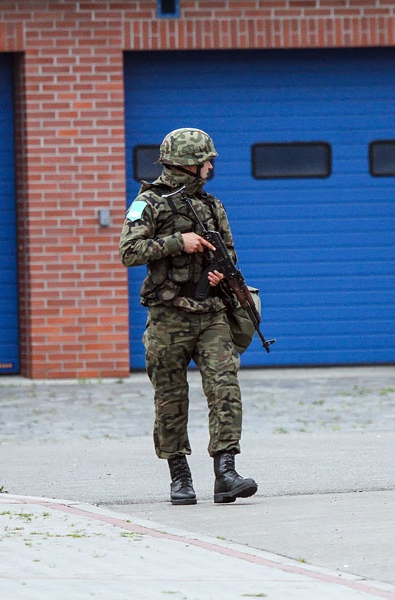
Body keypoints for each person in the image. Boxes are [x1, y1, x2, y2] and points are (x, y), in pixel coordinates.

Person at [119, 127, 258, 505]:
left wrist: (219, 278)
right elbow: (129, 251)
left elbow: (229, 255)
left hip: (211, 313)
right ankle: (179, 477)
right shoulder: (148, 203)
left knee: (225, 388)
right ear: (188, 164)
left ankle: (226, 473)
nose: (211, 166)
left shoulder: (212, 205)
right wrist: (179, 241)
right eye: (206, 160)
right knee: (170, 397)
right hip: (168, 316)